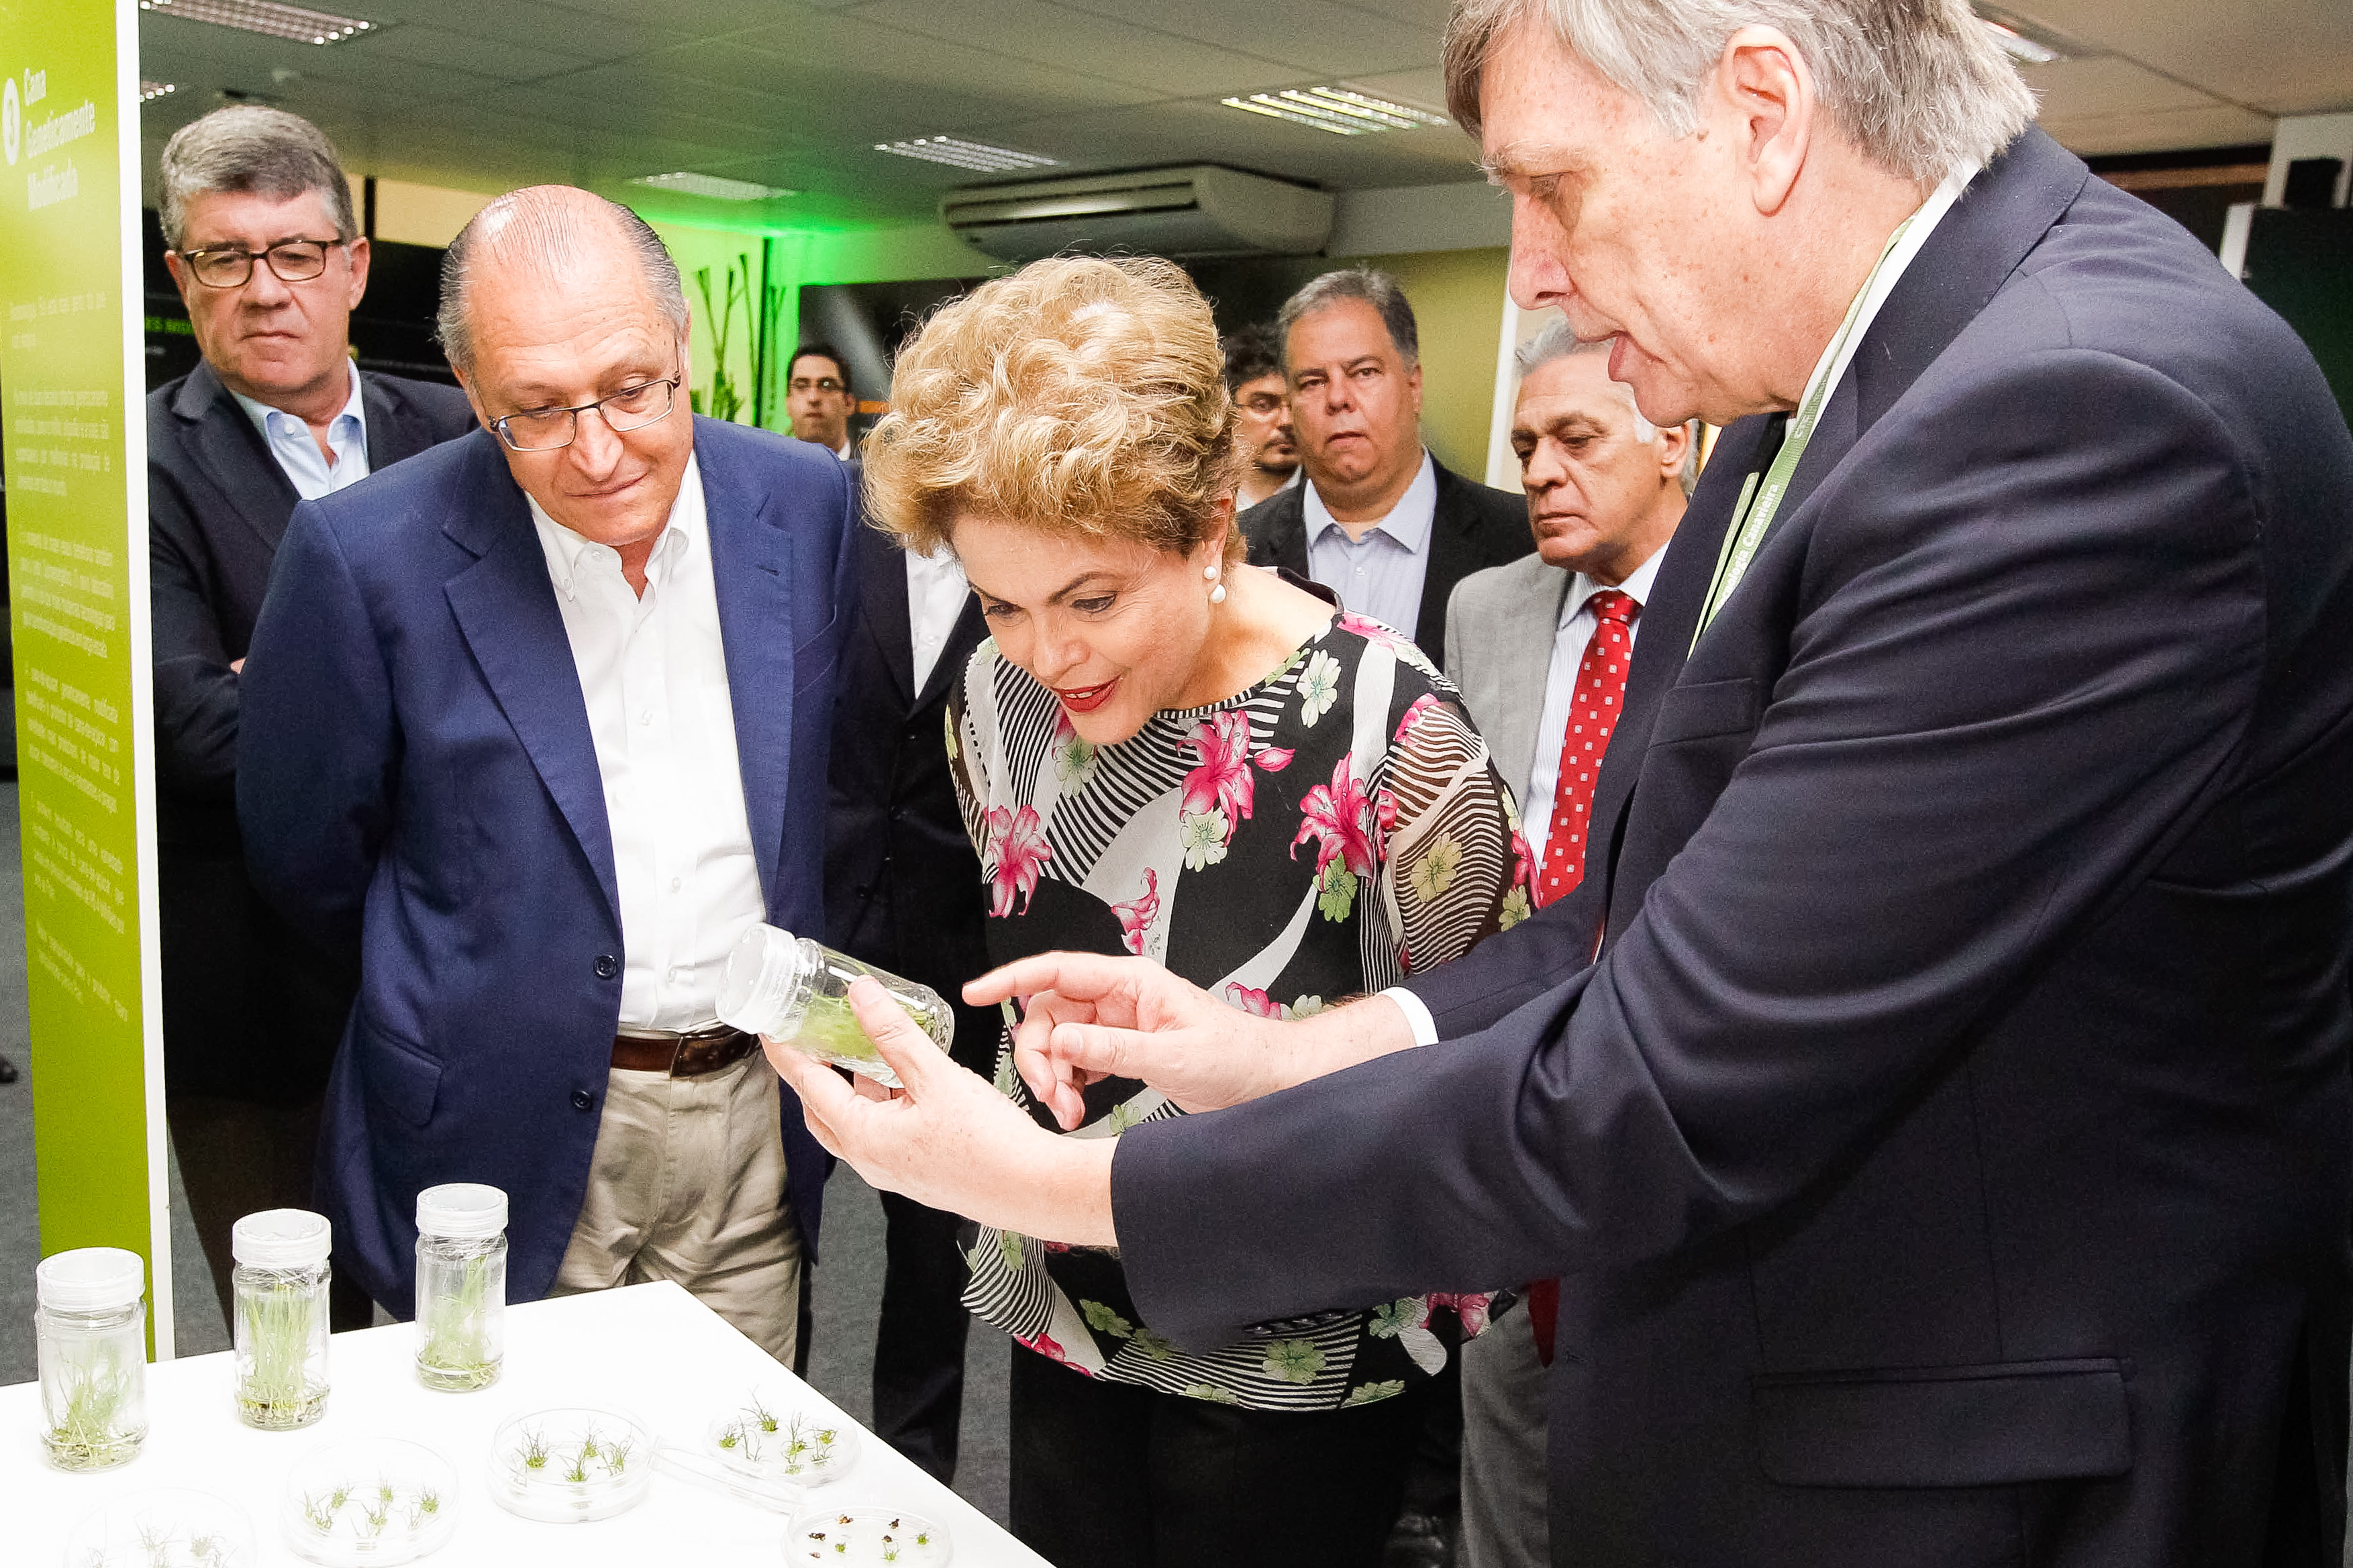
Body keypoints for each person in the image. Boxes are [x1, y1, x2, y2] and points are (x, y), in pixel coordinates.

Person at [767, 1, 2353, 1563]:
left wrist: (1046, 1175)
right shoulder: (1784, 414)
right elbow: (1629, 920)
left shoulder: (2073, 411)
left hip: (1964, 1466)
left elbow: (1647, 1085)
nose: (1529, 268)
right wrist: (1283, 1054)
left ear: (1758, 106)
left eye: (1550, 187)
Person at [840, 254, 1528, 1568]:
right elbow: (1036, 928)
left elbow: (1486, 1060)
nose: (1051, 653)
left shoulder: (1394, 731)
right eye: (1003, 601)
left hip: (1298, 1349)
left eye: (1093, 598)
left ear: (1212, 525)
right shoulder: (997, 700)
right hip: (1070, 1301)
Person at [239, 185, 854, 1369]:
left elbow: (843, 799)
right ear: (474, 395)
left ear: (683, 350)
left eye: (631, 388)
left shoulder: (806, 501)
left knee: (738, 1472)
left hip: (751, 1108)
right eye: (537, 409)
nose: (600, 447)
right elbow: (308, 857)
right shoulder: (365, 557)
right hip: (495, 1121)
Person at [146, 105, 474, 1328]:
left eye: (294, 252)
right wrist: (436, 690)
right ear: (183, 278)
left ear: (353, 269)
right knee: (295, 1343)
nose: (264, 289)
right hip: (258, 1009)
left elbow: (550, 679)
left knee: (471, 1313)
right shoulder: (138, 469)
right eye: (226, 258)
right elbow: (198, 735)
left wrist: (278, 679)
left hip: (454, 985)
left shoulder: (454, 435)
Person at [1442, 322, 1690, 1568]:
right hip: (1502, 1066)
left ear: (1673, 441)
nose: (1540, 469)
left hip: (1665, 1080)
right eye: (1527, 444)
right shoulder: (1486, 606)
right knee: (1506, 1413)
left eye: (1577, 440)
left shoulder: (1740, 617)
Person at [824, 435, 995, 1479]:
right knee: (780, 1206)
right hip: (818, 933)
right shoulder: (831, 524)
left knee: (932, 1242)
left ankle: (914, 1466)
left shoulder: (1027, 550)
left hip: (960, 952)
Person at [1240, 267, 1530, 664]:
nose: (1338, 398)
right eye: (1312, 382)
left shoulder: (1520, 542)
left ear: (1414, 387)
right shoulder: (1235, 552)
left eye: (1364, 373)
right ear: (1290, 404)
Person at [1222, 323, 1298, 508]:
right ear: (1228, 412)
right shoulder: (1202, 500)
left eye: (1296, 406)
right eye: (1263, 406)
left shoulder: (1333, 498)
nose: (1286, 421)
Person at [787, 343, 857, 458]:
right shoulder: (766, 471)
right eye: (801, 386)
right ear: (788, 403)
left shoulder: (872, 472)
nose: (813, 398)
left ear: (848, 403)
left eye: (827, 386)